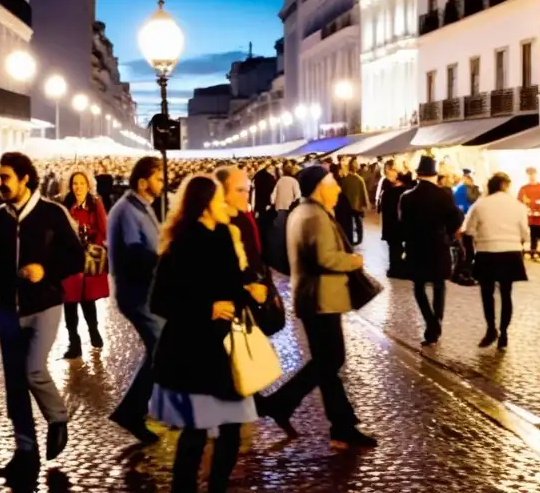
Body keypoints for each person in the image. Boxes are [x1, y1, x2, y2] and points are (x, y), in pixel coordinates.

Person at [0, 152, 84, 484]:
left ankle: (57, 417)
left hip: (44, 306)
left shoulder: (52, 214)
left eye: (5, 177)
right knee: (14, 385)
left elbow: (76, 257)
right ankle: (25, 452)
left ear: (24, 179)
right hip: (8, 309)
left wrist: (46, 270)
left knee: (34, 369)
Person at [149, 175, 263, 492]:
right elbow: (160, 300)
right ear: (204, 206)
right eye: (218, 200)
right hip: (192, 352)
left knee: (230, 430)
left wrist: (248, 289)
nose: (223, 204)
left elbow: (230, 286)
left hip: (225, 350)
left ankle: (217, 487)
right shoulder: (181, 244)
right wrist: (207, 308)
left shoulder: (225, 236)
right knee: (195, 433)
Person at [258, 165, 376, 449]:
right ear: (320, 186)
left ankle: (339, 423)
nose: (337, 187)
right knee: (330, 361)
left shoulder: (306, 212)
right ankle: (284, 405)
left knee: (328, 362)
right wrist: (354, 261)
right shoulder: (314, 215)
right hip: (320, 298)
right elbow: (325, 258)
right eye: (332, 182)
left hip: (317, 297)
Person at [107, 156, 166, 444]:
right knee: (162, 347)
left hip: (148, 293)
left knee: (162, 348)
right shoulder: (127, 211)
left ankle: (142, 409)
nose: (162, 184)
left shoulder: (141, 207)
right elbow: (135, 253)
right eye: (158, 179)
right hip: (137, 294)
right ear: (143, 182)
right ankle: (133, 411)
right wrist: (164, 261)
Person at [398, 156, 464, 345]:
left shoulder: (407, 197)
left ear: (418, 176)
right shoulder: (444, 195)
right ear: (434, 176)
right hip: (438, 247)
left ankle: (431, 322)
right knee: (439, 286)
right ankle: (436, 324)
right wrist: (449, 234)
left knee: (419, 287)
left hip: (416, 248)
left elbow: (402, 226)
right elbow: (454, 221)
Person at [461, 173, 529, 349]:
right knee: (506, 294)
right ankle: (504, 333)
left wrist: (482, 236)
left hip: (487, 252)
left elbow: (468, 230)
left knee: (487, 293)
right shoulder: (518, 205)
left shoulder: (480, 204)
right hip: (511, 252)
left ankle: (491, 328)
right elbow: (525, 233)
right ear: (506, 185)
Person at [60, 169, 109, 359]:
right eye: (75, 184)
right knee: (69, 301)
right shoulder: (66, 204)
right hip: (69, 260)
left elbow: (103, 230)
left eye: (81, 183)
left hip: (88, 258)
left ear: (88, 185)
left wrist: (92, 244)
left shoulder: (95, 203)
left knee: (87, 300)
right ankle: (74, 342)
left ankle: (93, 331)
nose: (78, 187)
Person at [380, 164, 409, 278]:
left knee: (393, 249)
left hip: (391, 226)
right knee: (403, 248)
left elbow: (384, 210)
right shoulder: (407, 193)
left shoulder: (388, 193)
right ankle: (403, 268)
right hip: (403, 225)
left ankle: (394, 269)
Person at [518, 167, 540, 262]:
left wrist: (534, 205)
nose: (532, 176)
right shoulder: (523, 189)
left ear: (536, 175)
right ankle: (530, 252)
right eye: (530, 174)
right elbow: (520, 202)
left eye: (533, 174)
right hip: (528, 218)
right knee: (530, 235)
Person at [336, 157, 370, 246]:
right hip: (357, 205)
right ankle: (359, 239)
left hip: (348, 205)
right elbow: (364, 193)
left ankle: (351, 239)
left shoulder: (346, 179)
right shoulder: (359, 179)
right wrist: (365, 204)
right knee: (358, 222)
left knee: (350, 223)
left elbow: (342, 191)